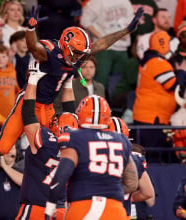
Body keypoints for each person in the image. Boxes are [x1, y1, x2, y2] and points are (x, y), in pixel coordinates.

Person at [0, 6, 144, 178]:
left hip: (48, 106)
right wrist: (31, 28)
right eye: (76, 53)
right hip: (28, 102)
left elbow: (102, 44)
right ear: (66, 46)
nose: (79, 57)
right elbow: (34, 47)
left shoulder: (77, 55)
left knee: (66, 142)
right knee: (2, 148)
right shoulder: (50, 54)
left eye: (81, 54)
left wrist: (127, 30)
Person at [45, 94, 138, 219]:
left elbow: (62, 174)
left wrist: (51, 204)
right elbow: (132, 183)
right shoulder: (121, 140)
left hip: (84, 205)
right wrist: (108, 190)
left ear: (81, 114)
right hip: (115, 210)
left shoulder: (74, 137)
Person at [16, 66, 78, 219]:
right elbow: (71, 115)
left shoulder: (45, 138)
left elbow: (28, 113)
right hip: (61, 209)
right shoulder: (78, 145)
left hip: (36, 207)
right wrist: (68, 83)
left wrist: (33, 80)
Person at [132, 30, 185, 163]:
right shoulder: (157, 62)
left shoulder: (151, 61)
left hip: (149, 117)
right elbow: (172, 85)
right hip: (152, 119)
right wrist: (182, 72)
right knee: (152, 161)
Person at [80, 0, 134, 91]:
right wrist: (102, 38)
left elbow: (132, 22)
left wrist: (128, 31)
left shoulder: (126, 2)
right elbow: (84, 20)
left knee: (119, 84)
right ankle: (95, 103)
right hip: (104, 49)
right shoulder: (96, 2)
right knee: (101, 81)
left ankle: (111, 104)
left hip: (123, 48)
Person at [109, 117, 155, 219]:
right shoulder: (135, 158)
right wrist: (128, 198)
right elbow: (148, 193)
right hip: (123, 213)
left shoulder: (91, 154)